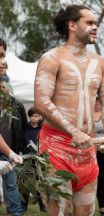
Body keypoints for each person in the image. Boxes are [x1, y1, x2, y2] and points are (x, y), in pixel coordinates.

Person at [34, 4, 104, 216]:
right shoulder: (52, 58)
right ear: (72, 25)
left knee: (87, 211)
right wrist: (74, 131)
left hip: (87, 149)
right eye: (89, 22)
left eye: (96, 23)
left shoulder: (100, 62)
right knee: (60, 211)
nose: (95, 27)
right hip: (56, 147)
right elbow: (41, 102)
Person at [0, 77, 26, 216]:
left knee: (11, 183)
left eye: (5, 89)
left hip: (9, 150)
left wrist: (15, 151)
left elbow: (23, 127)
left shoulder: (16, 106)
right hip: (7, 150)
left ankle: (15, 212)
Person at [20, 107, 46, 213]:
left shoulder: (42, 129)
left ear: (39, 117)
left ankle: (42, 205)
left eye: (36, 116)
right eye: (32, 116)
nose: (34, 118)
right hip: (27, 158)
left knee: (40, 183)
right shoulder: (24, 128)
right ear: (29, 116)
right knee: (26, 183)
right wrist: (25, 153)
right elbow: (21, 142)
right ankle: (23, 206)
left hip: (39, 159)